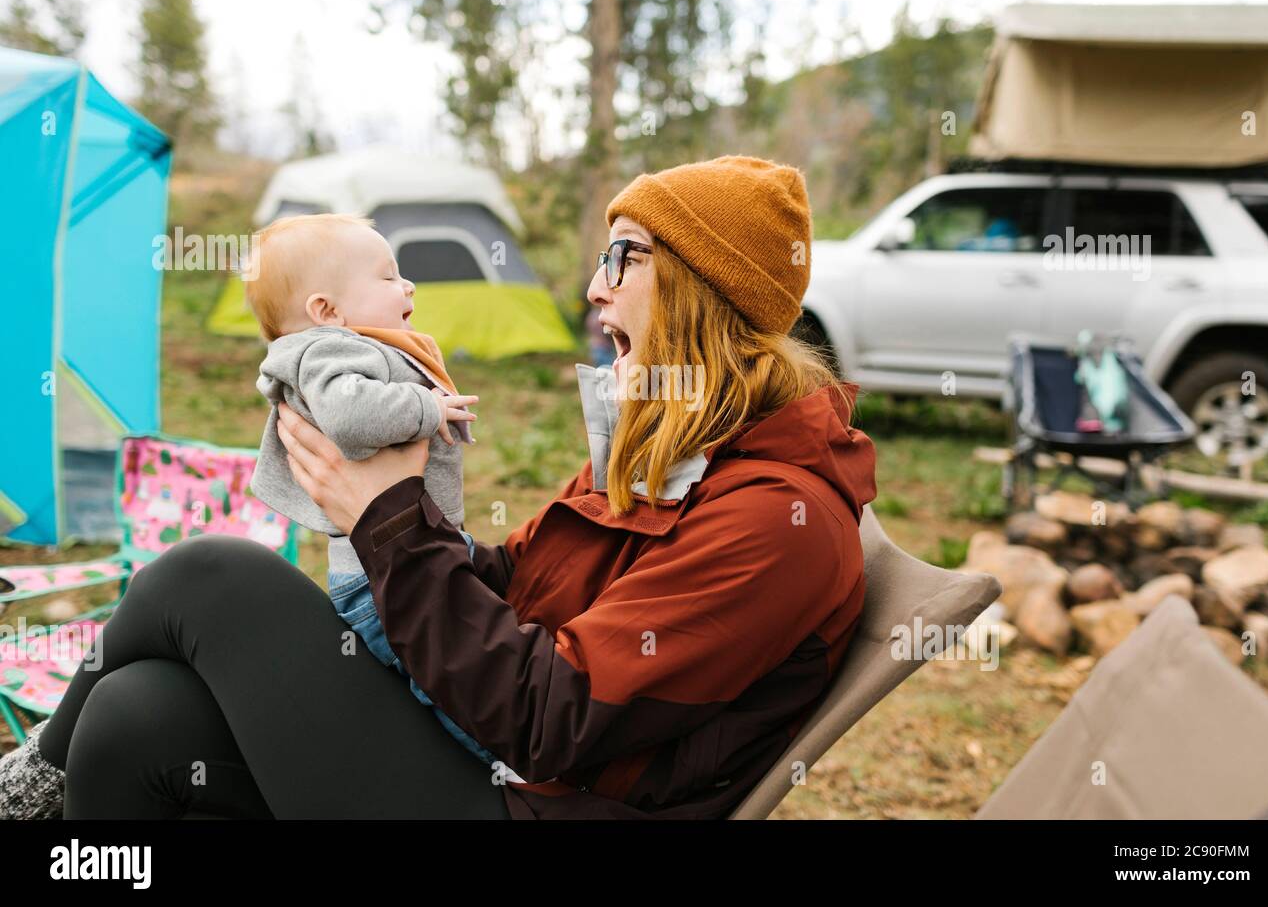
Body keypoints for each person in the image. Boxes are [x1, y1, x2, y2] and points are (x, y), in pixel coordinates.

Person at [0, 155, 877, 819]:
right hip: (484, 757)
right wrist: (392, 515)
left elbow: (549, 719)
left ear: (699, 288)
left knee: (211, 577)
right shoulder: (669, 458)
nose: (593, 286)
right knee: (132, 716)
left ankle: (22, 786)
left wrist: (386, 518)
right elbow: (510, 584)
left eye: (624, 257)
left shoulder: (777, 522)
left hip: (525, 797)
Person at [243, 212, 504, 774]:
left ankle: (453, 757)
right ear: (326, 310)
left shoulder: (356, 345)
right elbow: (350, 416)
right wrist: (426, 408)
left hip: (405, 556)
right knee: (442, 678)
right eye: (388, 278)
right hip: (377, 576)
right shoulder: (328, 351)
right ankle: (489, 761)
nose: (407, 286)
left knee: (447, 663)